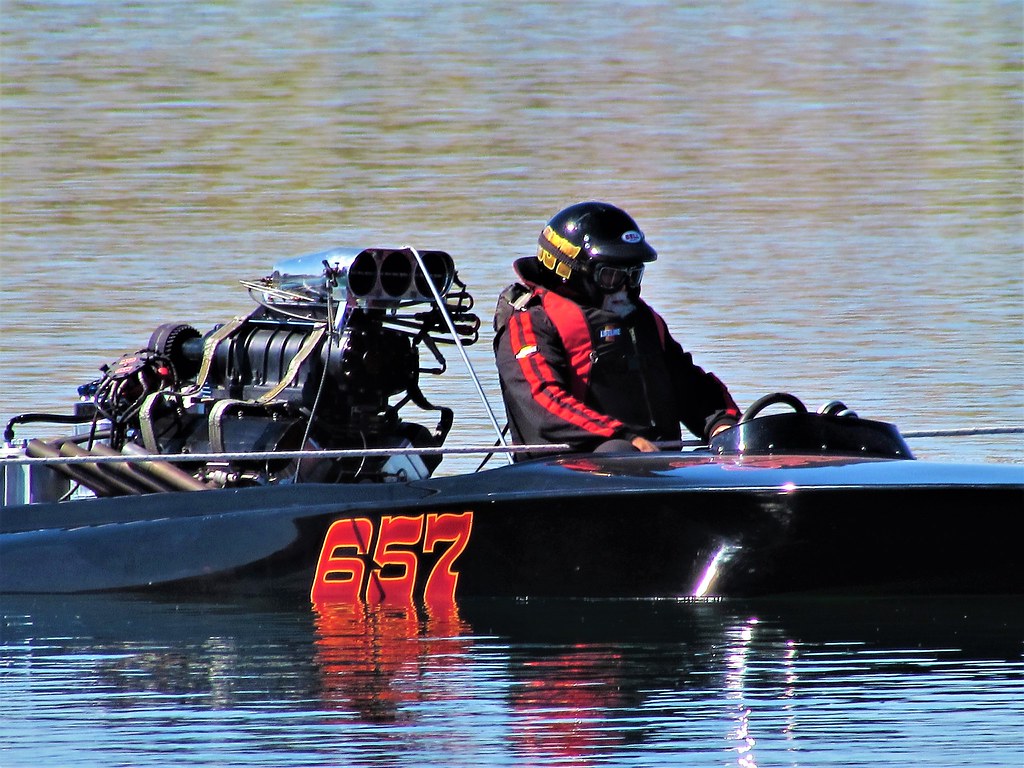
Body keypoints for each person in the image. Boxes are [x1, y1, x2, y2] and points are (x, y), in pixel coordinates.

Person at [493, 201, 740, 457]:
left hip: (656, 463)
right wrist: (622, 436)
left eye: (633, 275)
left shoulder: (641, 318)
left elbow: (688, 382)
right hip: (570, 465)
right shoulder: (531, 322)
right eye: (611, 276)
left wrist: (722, 424)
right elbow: (543, 399)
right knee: (621, 451)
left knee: (751, 438)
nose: (625, 288)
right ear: (568, 271)